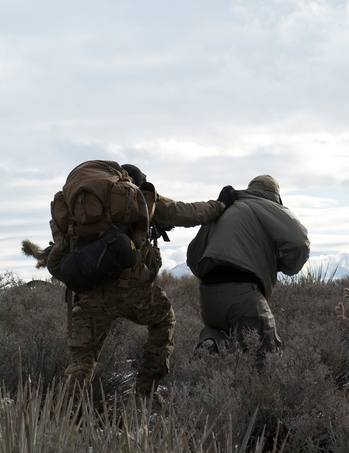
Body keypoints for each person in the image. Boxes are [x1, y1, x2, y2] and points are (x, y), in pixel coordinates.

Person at [44, 163, 236, 398]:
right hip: (133, 291)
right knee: (164, 321)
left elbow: (57, 258)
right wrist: (220, 205)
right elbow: (188, 213)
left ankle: (66, 417)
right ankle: (145, 393)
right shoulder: (139, 200)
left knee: (83, 359)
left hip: (89, 295)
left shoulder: (79, 212)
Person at [186, 174, 310, 361]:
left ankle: (212, 343)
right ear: (274, 194)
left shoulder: (224, 209)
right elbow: (300, 243)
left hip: (209, 297)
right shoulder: (268, 206)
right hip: (243, 294)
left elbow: (193, 256)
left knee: (222, 342)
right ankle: (260, 388)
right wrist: (286, 267)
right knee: (265, 356)